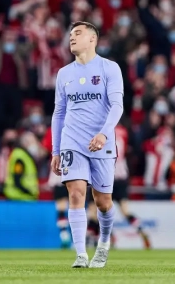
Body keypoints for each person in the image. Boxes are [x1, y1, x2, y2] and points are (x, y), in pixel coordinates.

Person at [50, 21, 124, 268]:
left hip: (102, 142)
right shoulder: (64, 73)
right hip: (72, 141)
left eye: (78, 33)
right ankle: (81, 254)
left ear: (93, 39)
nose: (72, 37)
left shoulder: (109, 68)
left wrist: (104, 134)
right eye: (71, 34)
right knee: (76, 193)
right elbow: (59, 114)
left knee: (103, 202)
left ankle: (103, 244)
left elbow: (117, 106)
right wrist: (56, 150)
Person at [87, 124, 151, 250]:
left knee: (94, 211)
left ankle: (96, 240)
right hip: (121, 177)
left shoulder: (98, 130)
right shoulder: (123, 131)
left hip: (104, 176)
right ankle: (141, 229)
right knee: (125, 210)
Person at [43, 126, 71, 249]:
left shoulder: (53, 128)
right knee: (78, 205)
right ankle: (83, 238)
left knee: (61, 206)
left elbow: (45, 150)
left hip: (60, 170)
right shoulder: (81, 122)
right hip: (77, 169)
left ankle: (65, 235)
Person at [3, 136, 39, 201]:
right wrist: (28, 191)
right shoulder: (20, 157)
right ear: (25, 143)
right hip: (18, 198)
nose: (36, 144)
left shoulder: (25, 155)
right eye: (33, 142)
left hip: (24, 198)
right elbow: (17, 178)